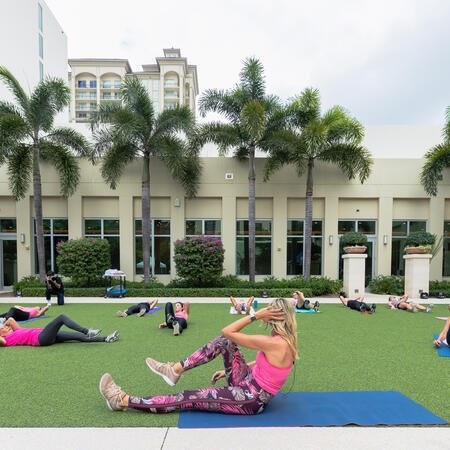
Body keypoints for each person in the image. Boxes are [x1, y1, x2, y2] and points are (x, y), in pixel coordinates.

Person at [99, 297, 297, 415]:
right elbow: (268, 365)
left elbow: (228, 330)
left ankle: (122, 400)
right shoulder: (286, 342)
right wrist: (228, 369)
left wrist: (256, 315)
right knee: (225, 343)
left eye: (269, 315)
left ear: (275, 318)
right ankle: (175, 369)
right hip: (247, 381)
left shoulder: (274, 343)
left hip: (250, 399)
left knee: (187, 397)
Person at [0, 314, 119, 347]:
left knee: (76, 336)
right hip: (41, 339)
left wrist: (2, 323)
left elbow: (10, 319)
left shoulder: (16, 331)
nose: (6, 326)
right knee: (61, 317)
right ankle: (87, 331)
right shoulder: (7, 341)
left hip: (48, 336)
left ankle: (106, 338)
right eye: (3, 328)